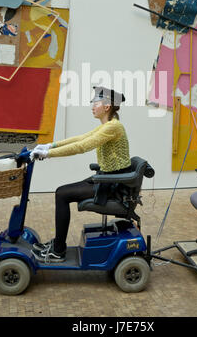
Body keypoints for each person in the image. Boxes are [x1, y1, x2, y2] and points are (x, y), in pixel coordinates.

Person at [31, 86, 132, 263]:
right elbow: (80, 139)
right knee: (62, 192)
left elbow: (82, 147)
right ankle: (58, 246)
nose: (92, 106)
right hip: (107, 178)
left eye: (96, 103)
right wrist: (50, 146)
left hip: (112, 184)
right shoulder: (109, 125)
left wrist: (48, 155)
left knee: (62, 194)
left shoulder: (113, 127)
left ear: (107, 106)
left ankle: (58, 251)